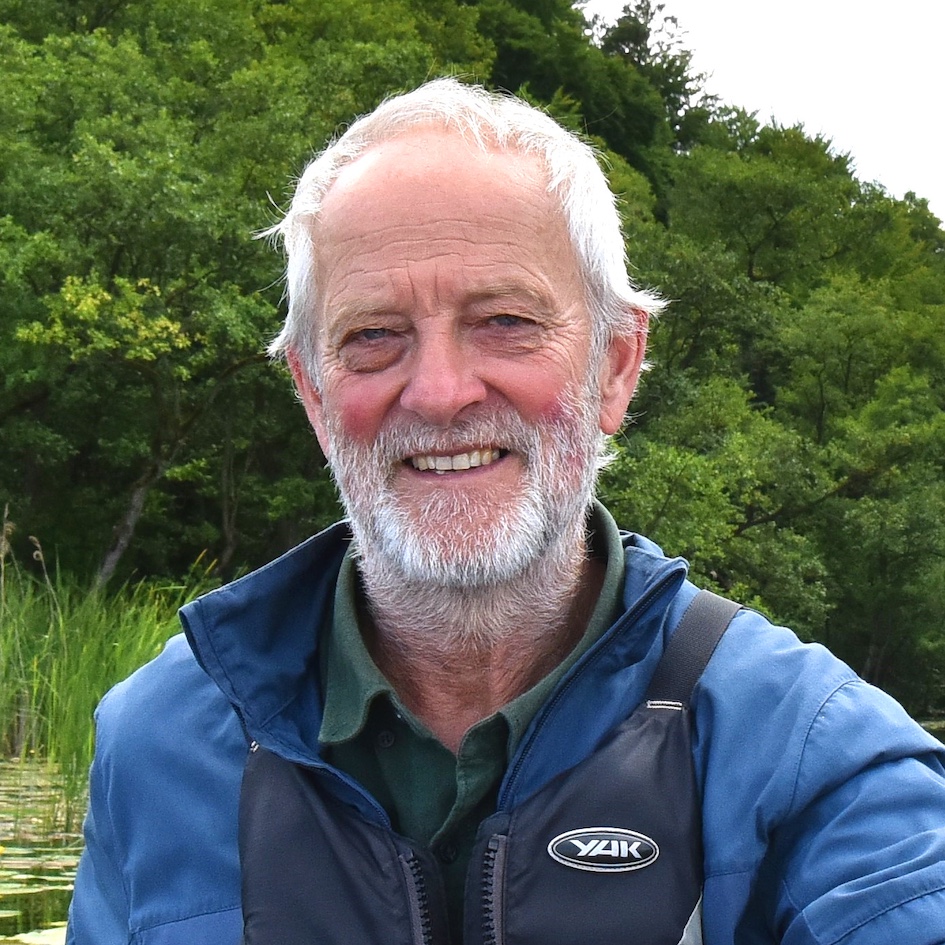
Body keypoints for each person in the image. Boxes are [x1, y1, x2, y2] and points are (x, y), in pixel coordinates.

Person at [66, 78, 945, 945]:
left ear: (614, 366)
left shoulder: (817, 755)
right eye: (373, 336)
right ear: (312, 393)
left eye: (506, 320)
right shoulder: (157, 746)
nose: (441, 393)